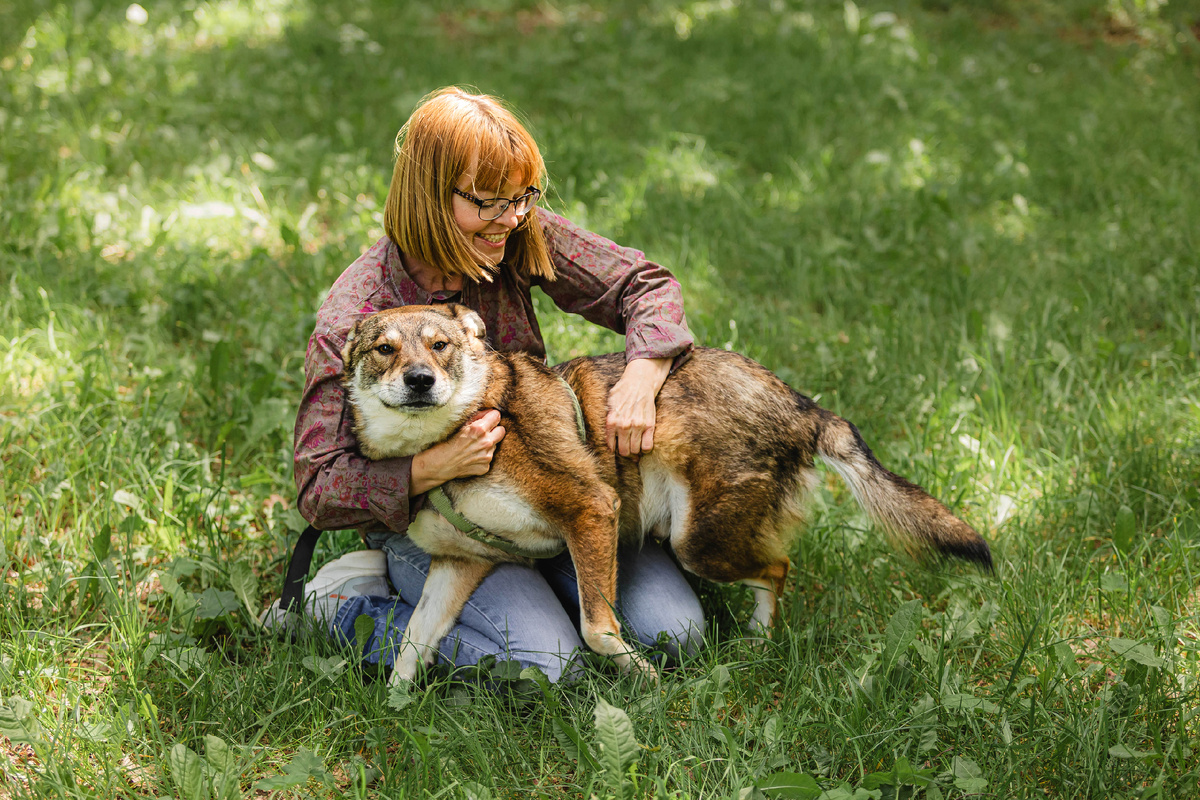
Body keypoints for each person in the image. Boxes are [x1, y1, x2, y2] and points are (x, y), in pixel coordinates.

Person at [290, 87, 703, 683]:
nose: (511, 217)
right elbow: (319, 486)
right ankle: (346, 605)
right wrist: (434, 466)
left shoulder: (515, 232)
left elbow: (645, 286)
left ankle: (551, 596)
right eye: (488, 201)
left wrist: (643, 373)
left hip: (542, 487)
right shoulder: (357, 313)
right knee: (545, 665)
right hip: (437, 527)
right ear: (430, 197)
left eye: (523, 196)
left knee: (678, 635)